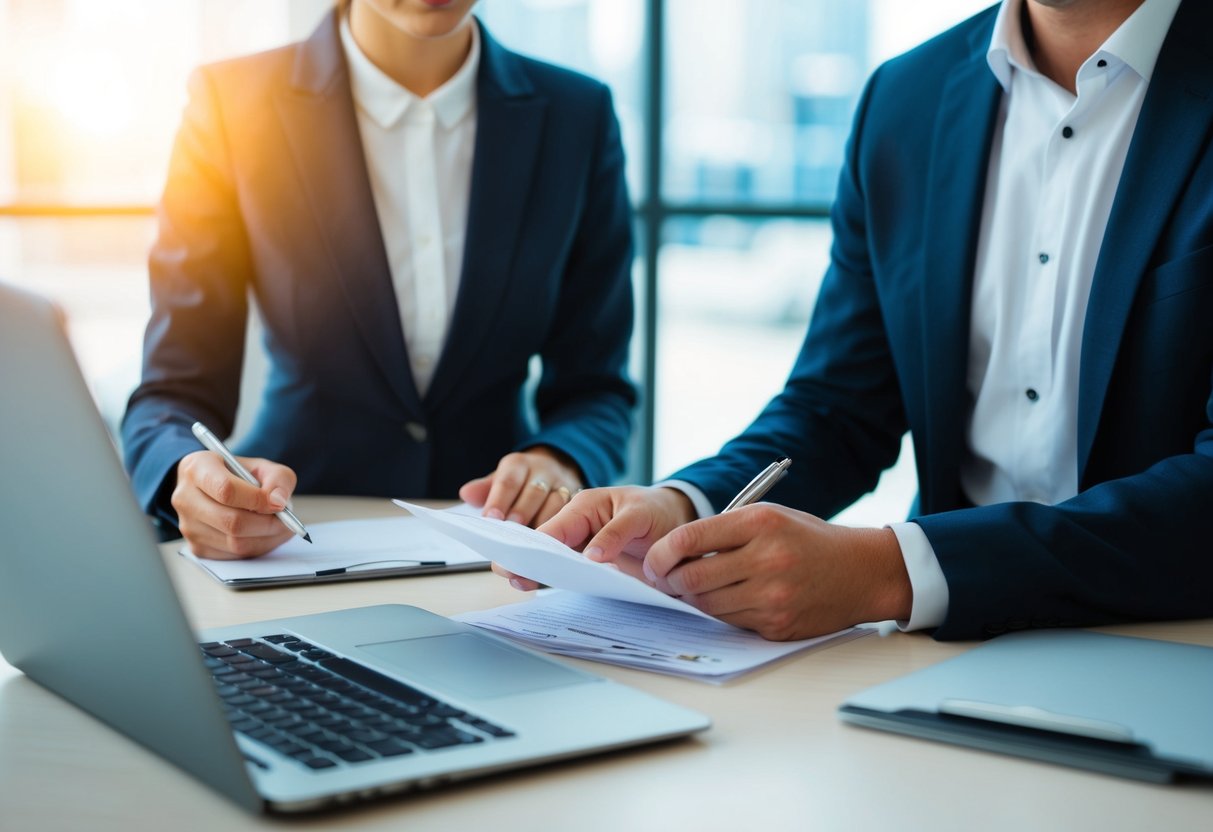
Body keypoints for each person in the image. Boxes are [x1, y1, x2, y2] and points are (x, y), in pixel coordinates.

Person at [500, 0, 1213, 641]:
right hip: (948, 652)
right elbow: (837, 407)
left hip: (1172, 638)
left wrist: (890, 571)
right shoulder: (905, 100)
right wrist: (685, 505)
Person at [121, 0, 636, 559]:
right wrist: (188, 477)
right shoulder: (232, 103)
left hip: (502, 549)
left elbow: (597, 389)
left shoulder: (577, 116)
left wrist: (559, 458)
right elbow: (173, 393)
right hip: (292, 540)